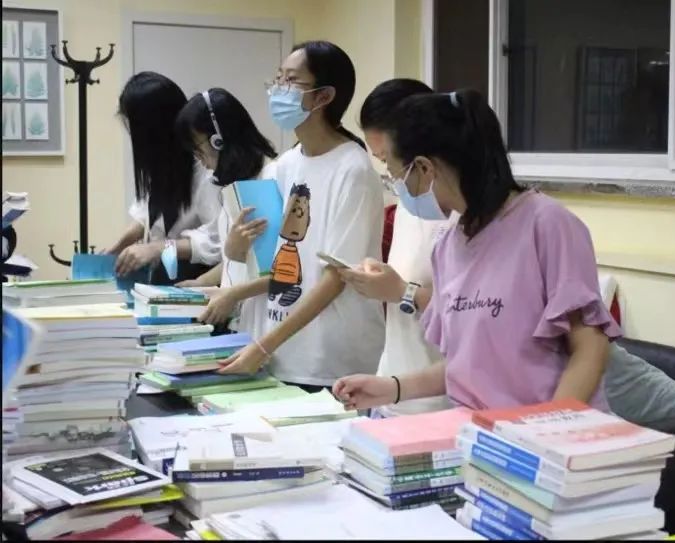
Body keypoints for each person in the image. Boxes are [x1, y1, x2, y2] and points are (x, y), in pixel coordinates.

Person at [333, 89, 622, 412]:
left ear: (425, 168)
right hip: (481, 432)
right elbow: (469, 366)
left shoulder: (547, 224)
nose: (396, 186)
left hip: (550, 432)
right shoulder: (448, 245)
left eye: (396, 174)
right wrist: (391, 388)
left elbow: (590, 348)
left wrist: (547, 426)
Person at [213, 40, 385, 393]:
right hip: (280, 352)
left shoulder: (352, 169)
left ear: (323, 97)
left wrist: (264, 345)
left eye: (291, 80)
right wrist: (235, 249)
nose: (278, 89)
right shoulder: (285, 165)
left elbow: (337, 277)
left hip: (329, 361)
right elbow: (272, 262)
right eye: (278, 78)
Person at [339, 79, 454, 417]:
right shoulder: (409, 202)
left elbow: (477, 315)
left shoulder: (461, 214)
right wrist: (382, 281)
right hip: (392, 390)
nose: (391, 175)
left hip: (439, 405)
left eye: (389, 160)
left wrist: (404, 292)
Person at [173, 88, 278, 340]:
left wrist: (232, 293)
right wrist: (203, 282)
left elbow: (280, 271)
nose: (199, 159)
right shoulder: (235, 185)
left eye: (198, 149)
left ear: (218, 140)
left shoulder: (269, 179)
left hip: (267, 322)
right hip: (243, 321)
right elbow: (238, 260)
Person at [107, 72, 222, 284]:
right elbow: (149, 213)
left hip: (196, 281)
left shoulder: (207, 169)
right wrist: (120, 244)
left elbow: (216, 242)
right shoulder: (161, 162)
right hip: (164, 278)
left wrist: (158, 248)